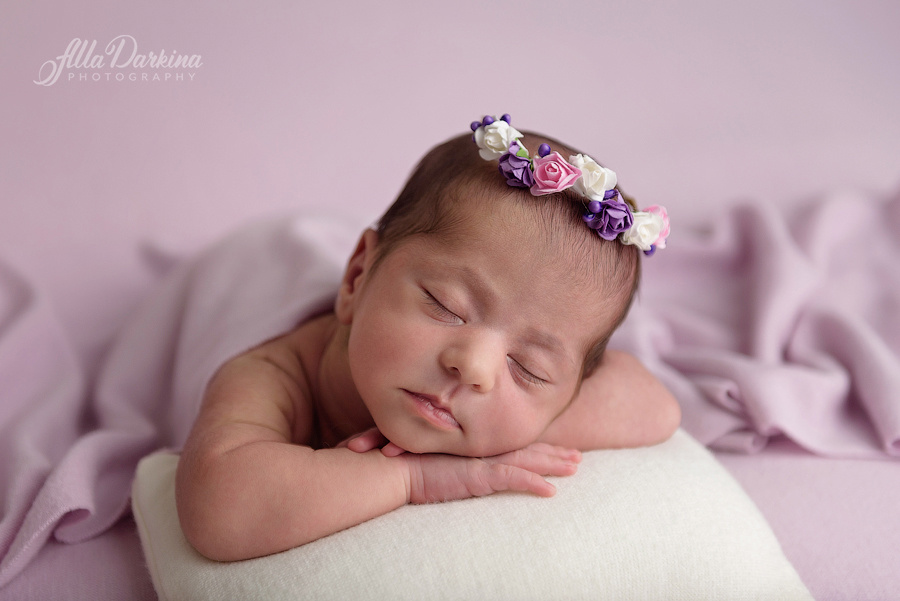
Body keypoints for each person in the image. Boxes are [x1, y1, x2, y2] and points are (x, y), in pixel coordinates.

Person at [175, 115, 680, 562]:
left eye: (529, 368)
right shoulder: (273, 373)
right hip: (247, 271)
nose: (476, 367)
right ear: (355, 280)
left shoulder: (524, 381)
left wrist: (517, 427)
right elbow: (220, 508)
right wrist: (411, 477)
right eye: (446, 306)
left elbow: (656, 408)